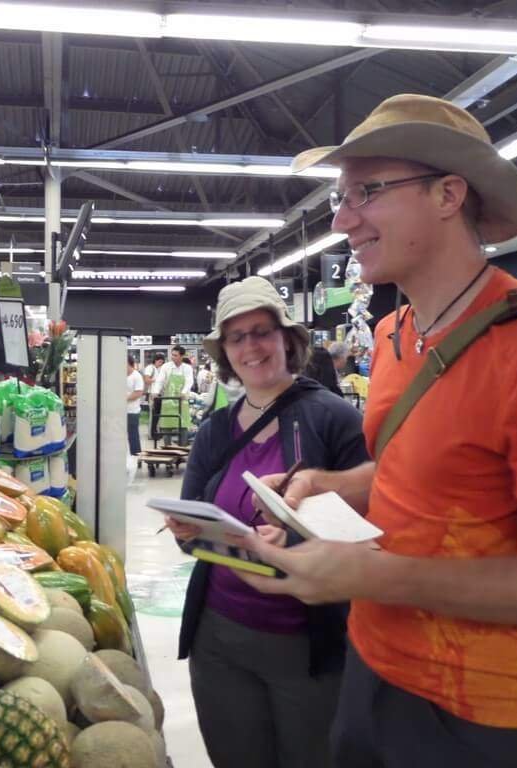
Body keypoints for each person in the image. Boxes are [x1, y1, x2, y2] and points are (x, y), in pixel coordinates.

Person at [233, 94, 517, 768]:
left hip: (484, 714)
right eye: (341, 197)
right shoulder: (394, 334)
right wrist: (330, 485)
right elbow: (417, 473)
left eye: (367, 192)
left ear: (448, 194)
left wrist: (375, 576)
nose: (344, 219)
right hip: (372, 670)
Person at [162, 277, 369, 768]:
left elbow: (372, 518)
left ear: (286, 339)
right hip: (219, 641)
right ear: (226, 353)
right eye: (237, 337)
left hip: (308, 644)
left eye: (262, 331)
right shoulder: (215, 431)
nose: (251, 346)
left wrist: (296, 535)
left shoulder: (334, 419)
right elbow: (193, 524)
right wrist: (190, 532)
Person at [158, 345, 195, 445]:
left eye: (175, 355)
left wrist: (183, 392)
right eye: (172, 355)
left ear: (182, 356)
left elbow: (189, 381)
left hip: (182, 400)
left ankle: (182, 447)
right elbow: (160, 380)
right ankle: (167, 448)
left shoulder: (187, 368)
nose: (173, 357)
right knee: (167, 425)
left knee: (183, 425)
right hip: (168, 400)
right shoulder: (166, 367)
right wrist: (155, 392)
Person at [126, 356, 144, 456]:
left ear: (129, 364)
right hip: (119, 411)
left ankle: (136, 456)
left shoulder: (136, 376)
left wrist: (123, 399)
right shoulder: (119, 375)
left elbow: (138, 393)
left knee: (133, 435)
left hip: (132, 411)